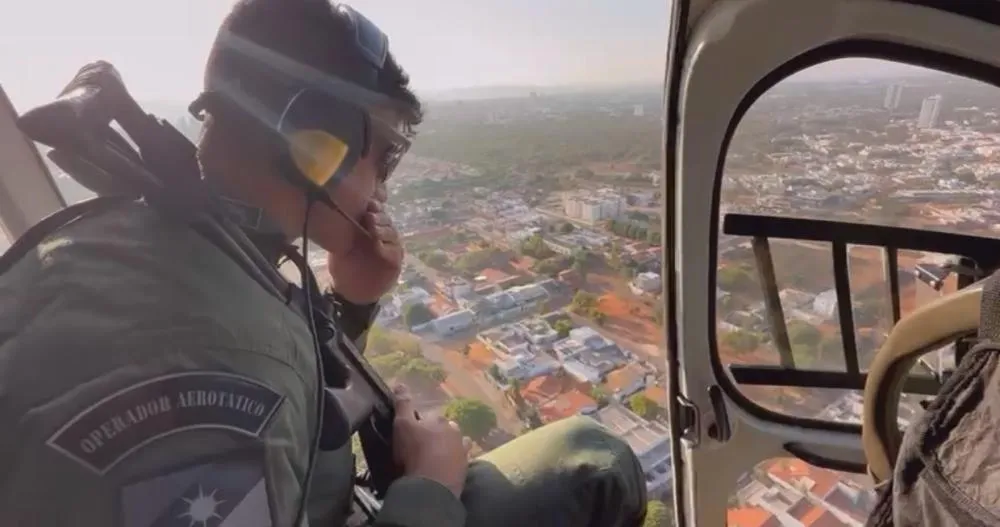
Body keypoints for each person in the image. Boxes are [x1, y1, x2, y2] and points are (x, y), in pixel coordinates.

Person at [0, 0, 648, 526]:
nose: (384, 190)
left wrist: (353, 300)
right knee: (598, 464)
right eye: (383, 158)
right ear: (318, 149)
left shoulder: (163, 237)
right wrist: (428, 490)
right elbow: (244, 370)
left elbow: (282, 385)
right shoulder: (200, 384)